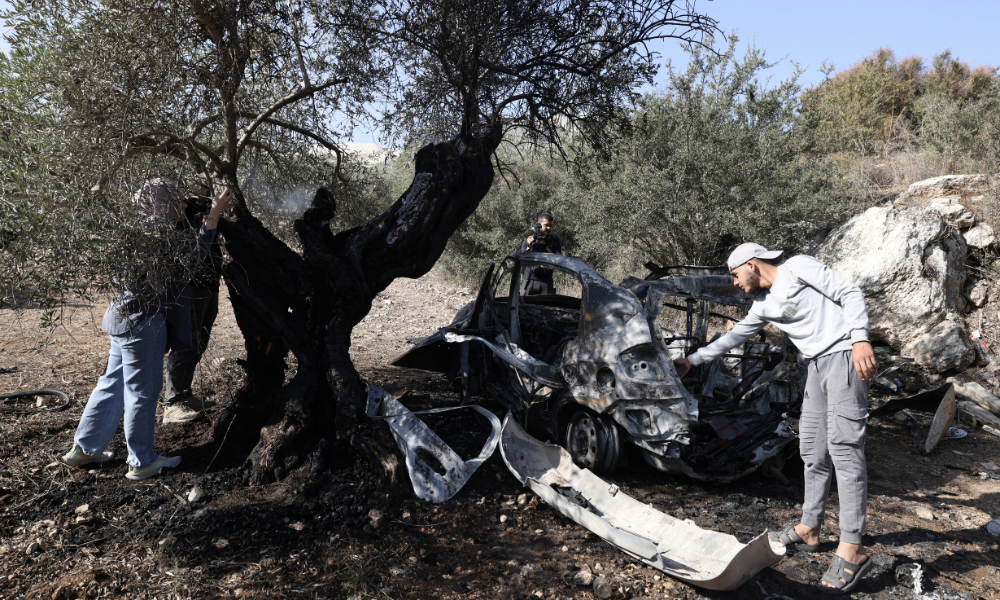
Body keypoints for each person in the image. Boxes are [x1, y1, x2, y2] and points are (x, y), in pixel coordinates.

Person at [673, 243, 878, 595]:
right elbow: (734, 336)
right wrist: (693, 360)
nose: (735, 282)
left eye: (735, 274)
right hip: (816, 366)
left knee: (844, 449)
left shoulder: (797, 268)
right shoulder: (763, 305)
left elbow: (849, 291)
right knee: (812, 450)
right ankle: (810, 527)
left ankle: (852, 545)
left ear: (752, 265)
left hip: (844, 354)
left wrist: (860, 338)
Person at [62, 179, 232, 480]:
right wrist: (214, 214)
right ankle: (141, 461)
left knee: (112, 384)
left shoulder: (136, 228)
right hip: (143, 323)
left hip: (121, 318)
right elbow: (194, 256)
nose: (183, 205)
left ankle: (85, 449)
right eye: (176, 200)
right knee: (143, 391)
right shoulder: (157, 232)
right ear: (160, 204)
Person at [162, 185, 224, 424]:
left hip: (209, 285)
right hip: (191, 287)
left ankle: (184, 396)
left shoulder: (204, 205)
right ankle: (172, 403)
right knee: (185, 344)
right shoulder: (184, 208)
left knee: (199, 344)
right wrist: (213, 212)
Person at [519, 212, 562, 296]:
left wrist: (547, 249)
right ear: (538, 224)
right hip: (529, 281)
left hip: (546, 282)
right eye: (546, 225)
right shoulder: (528, 240)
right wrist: (528, 247)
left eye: (551, 225)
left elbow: (559, 261)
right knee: (524, 304)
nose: (549, 228)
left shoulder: (554, 241)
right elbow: (521, 266)